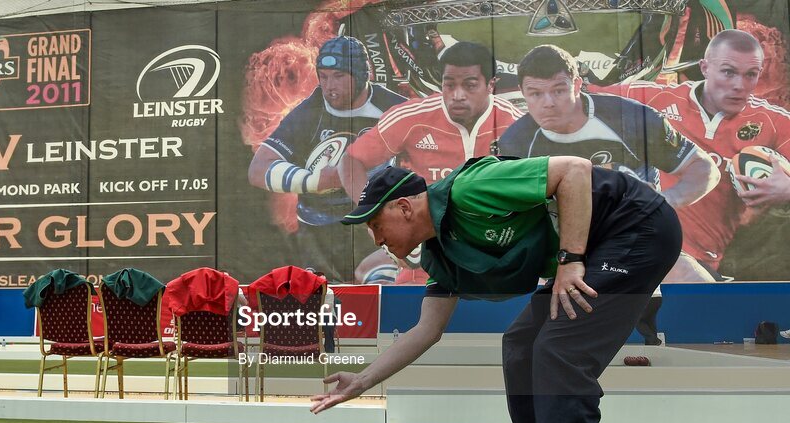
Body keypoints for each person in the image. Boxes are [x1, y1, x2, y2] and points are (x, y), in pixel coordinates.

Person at [311, 155, 682, 423]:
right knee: (521, 345)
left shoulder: (470, 188)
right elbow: (426, 330)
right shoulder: (442, 254)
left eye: (375, 224)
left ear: (404, 207)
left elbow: (574, 169)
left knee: (559, 353)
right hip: (593, 248)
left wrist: (571, 260)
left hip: (636, 227)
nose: (376, 239)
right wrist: (363, 381)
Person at [499, 44, 719, 282]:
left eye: (559, 90)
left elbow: (703, 168)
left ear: (576, 85)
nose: (548, 102)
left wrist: (665, 201)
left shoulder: (629, 118)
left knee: (694, 283)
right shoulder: (515, 144)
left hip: (635, 238)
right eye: (535, 94)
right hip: (564, 254)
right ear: (522, 92)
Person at [601, 30, 790, 280]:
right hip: (637, 245)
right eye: (728, 72)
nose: (739, 85)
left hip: (703, 263)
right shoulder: (655, 97)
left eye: (750, 75)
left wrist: (787, 189)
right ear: (704, 67)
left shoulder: (772, 123)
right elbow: (575, 96)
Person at [340, 41, 523, 284]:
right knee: (414, 318)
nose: (457, 95)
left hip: (493, 254)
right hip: (425, 258)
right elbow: (351, 161)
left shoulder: (515, 123)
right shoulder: (411, 117)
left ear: (491, 85)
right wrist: (377, 214)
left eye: (470, 85)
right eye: (449, 85)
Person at [247, 35, 407, 280]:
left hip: (375, 224)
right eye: (323, 76)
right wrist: (315, 182)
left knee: (378, 288)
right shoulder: (309, 111)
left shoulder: (396, 109)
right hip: (318, 231)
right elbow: (257, 170)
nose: (329, 85)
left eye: (339, 76)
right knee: (325, 303)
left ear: (362, 74)